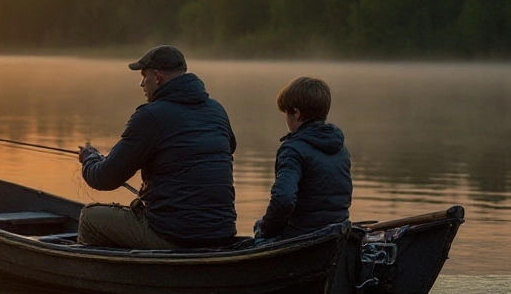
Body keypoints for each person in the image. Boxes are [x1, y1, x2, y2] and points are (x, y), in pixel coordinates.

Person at [77, 45, 237, 249]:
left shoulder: (150, 117)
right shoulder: (217, 110)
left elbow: (104, 178)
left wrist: (90, 158)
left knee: (90, 216)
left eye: (144, 76)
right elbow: (223, 151)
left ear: (158, 77)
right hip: (222, 232)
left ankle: (96, 276)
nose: (141, 83)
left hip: (173, 236)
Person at [254, 76, 352, 241]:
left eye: (286, 113)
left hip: (302, 236)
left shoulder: (293, 149)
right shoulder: (340, 147)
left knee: (259, 228)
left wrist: (266, 229)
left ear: (297, 113)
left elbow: (283, 200)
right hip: (336, 232)